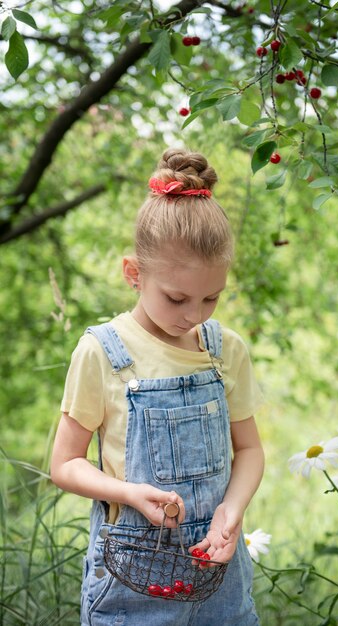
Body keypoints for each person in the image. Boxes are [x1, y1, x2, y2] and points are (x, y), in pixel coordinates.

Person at [50, 148, 265, 626]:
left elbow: (249, 450)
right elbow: (64, 465)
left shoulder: (225, 350)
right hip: (131, 581)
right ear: (134, 274)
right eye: (176, 298)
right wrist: (128, 494)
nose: (194, 314)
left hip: (219, 581)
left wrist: (231, 510)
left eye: (212, 297)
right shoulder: (102, 352)